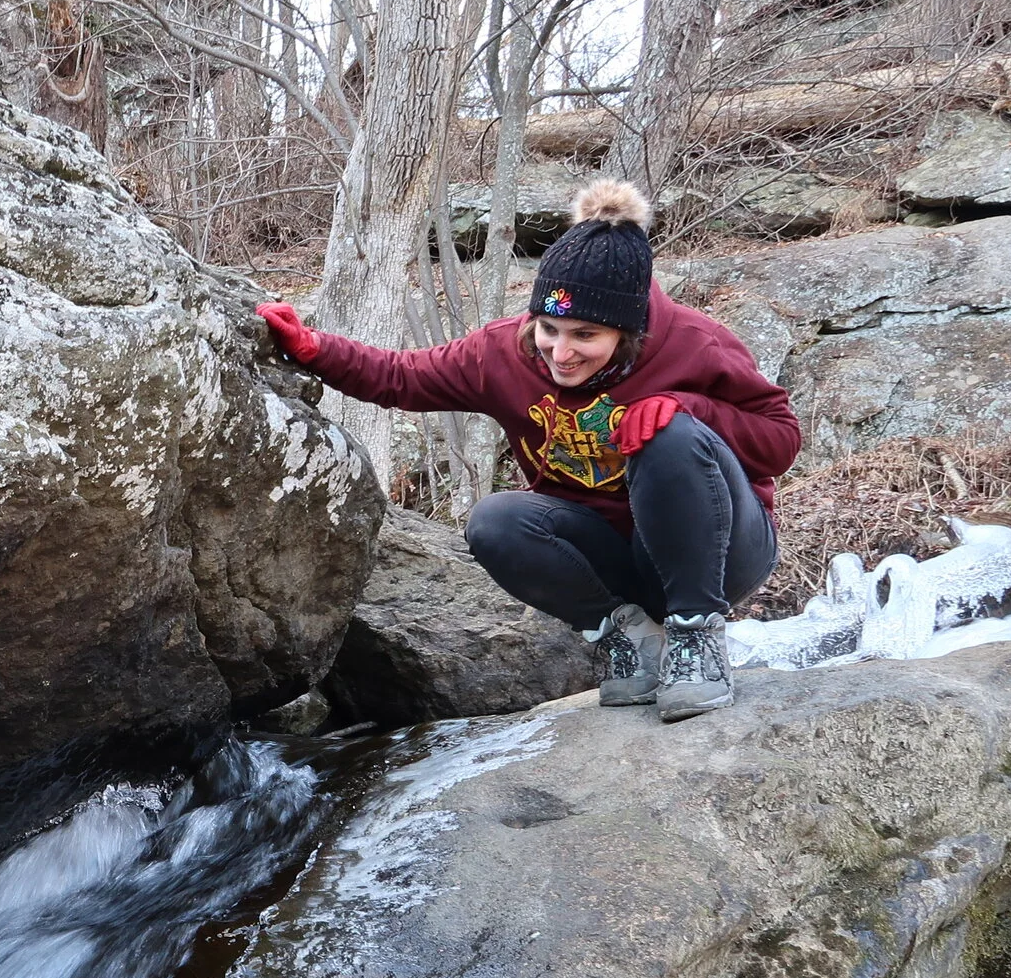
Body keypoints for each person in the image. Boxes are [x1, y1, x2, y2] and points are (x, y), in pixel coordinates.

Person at [255, 180, 799, 721]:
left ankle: (696, 637)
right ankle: (630, 638)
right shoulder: (505, 351)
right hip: (614, 558)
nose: (561, 353)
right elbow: (402, 377)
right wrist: (315, 348)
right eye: (549, 328)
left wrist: (689, 409)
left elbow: (780, 442)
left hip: (722, 551)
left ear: (629, 332)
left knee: (670, 433)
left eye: (584, 335)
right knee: (496, 520)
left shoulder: (694, 342)